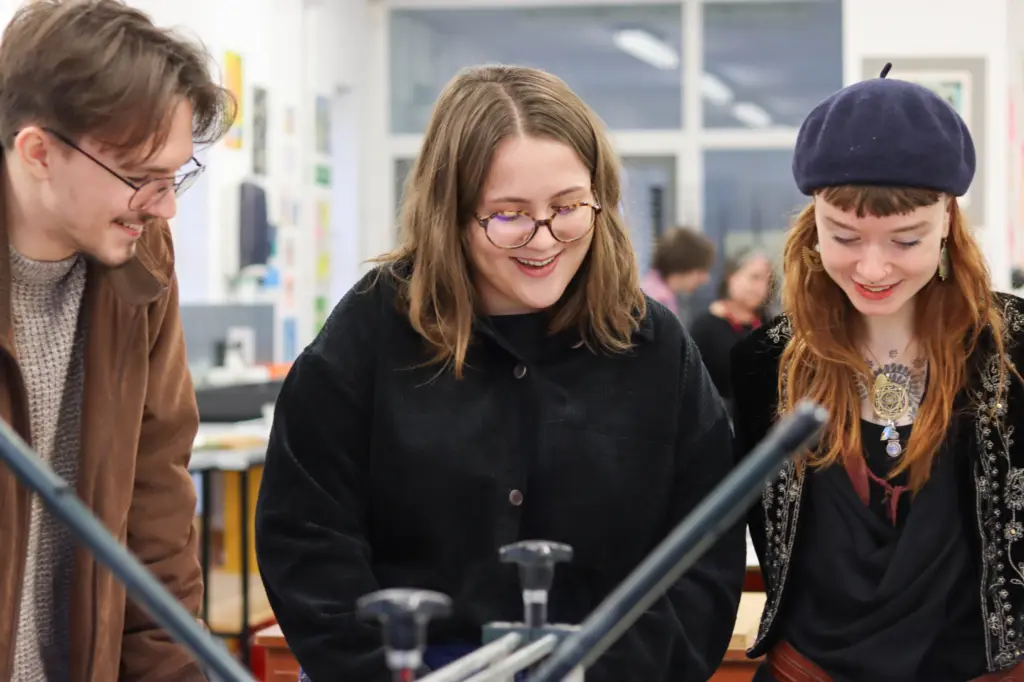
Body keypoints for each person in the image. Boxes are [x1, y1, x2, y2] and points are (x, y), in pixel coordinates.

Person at [255, 64, 745, 682]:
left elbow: (704, 556)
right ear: (450, 213)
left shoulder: (652, 345)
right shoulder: (372, 330)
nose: (543, 240)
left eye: (567, 207)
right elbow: (306, 537)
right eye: (508, 215)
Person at [730, 62, 1024, 681]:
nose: (872, 267)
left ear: (948, 219)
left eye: (906, 240)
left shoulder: (1016, 351)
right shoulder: (764, 365)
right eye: (844, 235)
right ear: (813, 223)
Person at [0, 1, 234, 680]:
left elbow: (156, 521)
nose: (165, 206)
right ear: (38, 151)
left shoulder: (143, 266)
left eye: (176, 176)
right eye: (141, 178)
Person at [689, 249, 772, 413]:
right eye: (754, 277)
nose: (761, 288)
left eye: (767, 281)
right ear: (731, 277)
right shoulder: (705, 327)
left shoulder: (768, 322)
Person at [641, 225, 715, 324]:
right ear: (684, 264)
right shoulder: (659, 302)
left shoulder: (652, 290)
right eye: (700, 271)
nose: (705, 279)